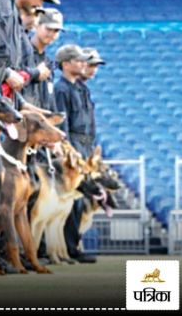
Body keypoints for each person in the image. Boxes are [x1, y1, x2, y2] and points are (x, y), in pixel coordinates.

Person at [62, 47, 106, 264]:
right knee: (74, 201)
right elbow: (66, 125)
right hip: (76, 146)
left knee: (80, 200)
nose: (91, 69)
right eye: (90, 64)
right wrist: (71, 152)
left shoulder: (82, 90)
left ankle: (72, 245)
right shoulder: (64, 88)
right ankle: (69, 247)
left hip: (85, 145)